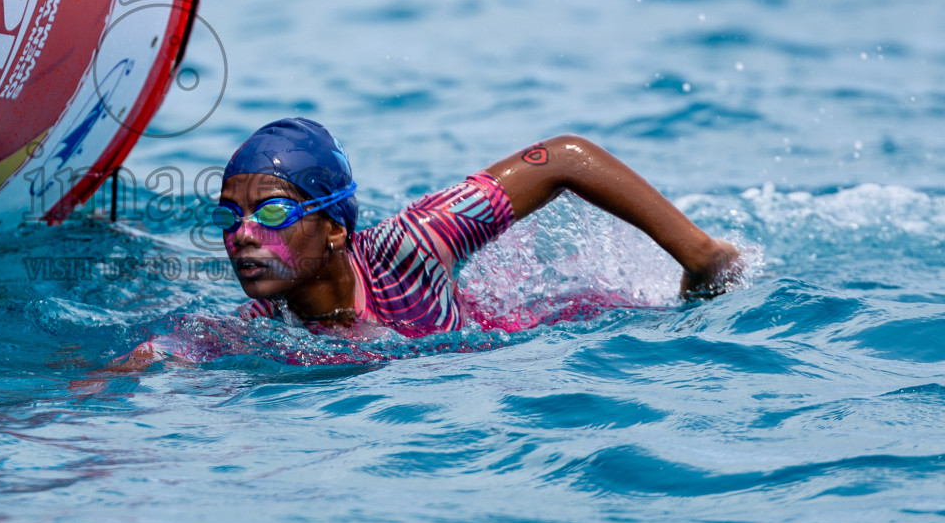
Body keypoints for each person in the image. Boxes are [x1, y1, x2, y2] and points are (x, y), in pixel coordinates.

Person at [217, 118, 741, 334]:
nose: (243, 233)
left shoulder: (410, 246)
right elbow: (178, 354)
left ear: (334, 228)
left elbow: (563, 157)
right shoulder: (260, 327)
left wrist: (700, 255)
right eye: (229, 215)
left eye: (270, 213)